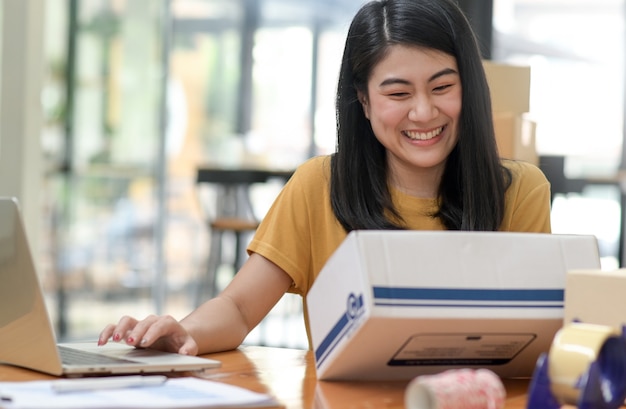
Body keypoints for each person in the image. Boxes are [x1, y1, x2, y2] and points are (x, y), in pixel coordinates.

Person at [98, 0, 551, 356]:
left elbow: (536, 337)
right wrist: (182, 333)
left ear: (469, 87)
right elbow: (237, 309)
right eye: (397, 92)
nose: (423, 112)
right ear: (364, 100)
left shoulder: (520, 191)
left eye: (442, 87)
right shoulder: (319, 185)